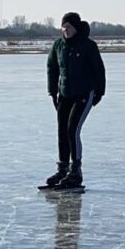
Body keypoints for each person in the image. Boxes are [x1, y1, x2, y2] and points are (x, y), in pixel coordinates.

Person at [45, 13, 106, 189]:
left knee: (73, 130)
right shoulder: (58, 46)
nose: (66, 30)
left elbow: (98, 70)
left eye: (69, 27)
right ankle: (63, 170)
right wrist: (53, 91)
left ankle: (76, 173)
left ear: (76, 28)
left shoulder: (88, 46)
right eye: (63, 27)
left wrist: (99, 93)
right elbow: (52, 68)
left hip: (84, 94)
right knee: (62, 132)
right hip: (64, 95)